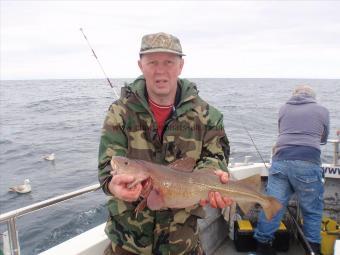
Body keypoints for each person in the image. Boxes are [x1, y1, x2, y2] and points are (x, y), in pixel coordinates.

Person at [98, 32, 232, 255]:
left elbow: (216, 158)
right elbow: (107, 167)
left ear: (181, 65)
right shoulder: (119, 112)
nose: (160, 70)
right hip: (128, 244)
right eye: (152, 62)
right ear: (140, 65)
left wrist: (213, 175)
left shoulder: (208, 116)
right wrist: (113, 184)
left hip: (183, 243)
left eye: (169, 62)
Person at [253, 85, 330, 255]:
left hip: (280, 162)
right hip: (308, 163)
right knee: (311, 211)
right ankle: (312, 250)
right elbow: (323, 138)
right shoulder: (322, 110)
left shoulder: (283, 109)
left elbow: (282, 131)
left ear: (294, 95)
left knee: (272, 205)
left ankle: (263, 247)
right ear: (312, 96)